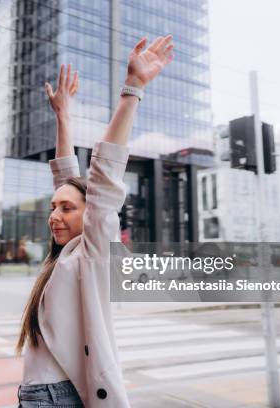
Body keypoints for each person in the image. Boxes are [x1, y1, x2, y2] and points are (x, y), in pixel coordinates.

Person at [16, 35, 174, 408]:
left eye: (67, 209)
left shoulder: (92, 252)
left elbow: (101, 181)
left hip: (54, 398)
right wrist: (63, 117)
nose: (55, 215)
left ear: (91, 215)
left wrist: (132, 88)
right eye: (53, 207)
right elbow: (67, 181)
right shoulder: (65, 255)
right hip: (39, 394)